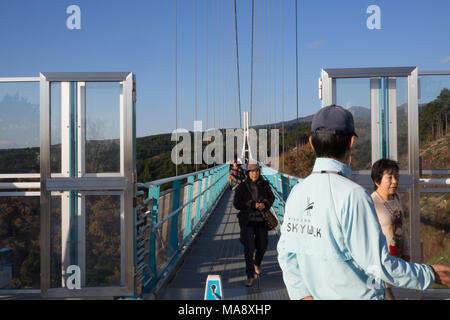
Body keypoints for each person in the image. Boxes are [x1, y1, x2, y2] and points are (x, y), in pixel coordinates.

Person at [277, 104, 450, 300]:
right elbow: (377, 264)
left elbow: (285, 252)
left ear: (311, 142)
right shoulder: (354, 195)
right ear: (351, 142)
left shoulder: (297, 192)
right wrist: (430, 274)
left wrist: (302, 294)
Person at [370, 159, 409, 300]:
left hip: (396, 260)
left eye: (396, 176)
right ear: (377, 180)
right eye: (390, 177)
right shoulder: (371, 202)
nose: (395, 181)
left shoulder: (396, 198)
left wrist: (406, 252)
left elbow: (402, 229)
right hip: (380, 265)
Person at [233, 162, 275, 287]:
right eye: (252, 171)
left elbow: (271, 198)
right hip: (247, 221)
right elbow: (236, 204)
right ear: (248, 173)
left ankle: (257, 263)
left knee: (263, 245)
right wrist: (251, 205)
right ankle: (250, 276)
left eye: (257, 171)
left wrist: (265, 204)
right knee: (249, 249)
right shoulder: (242, 187)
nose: (255, 173)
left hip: (262, 220)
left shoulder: (265, 184)